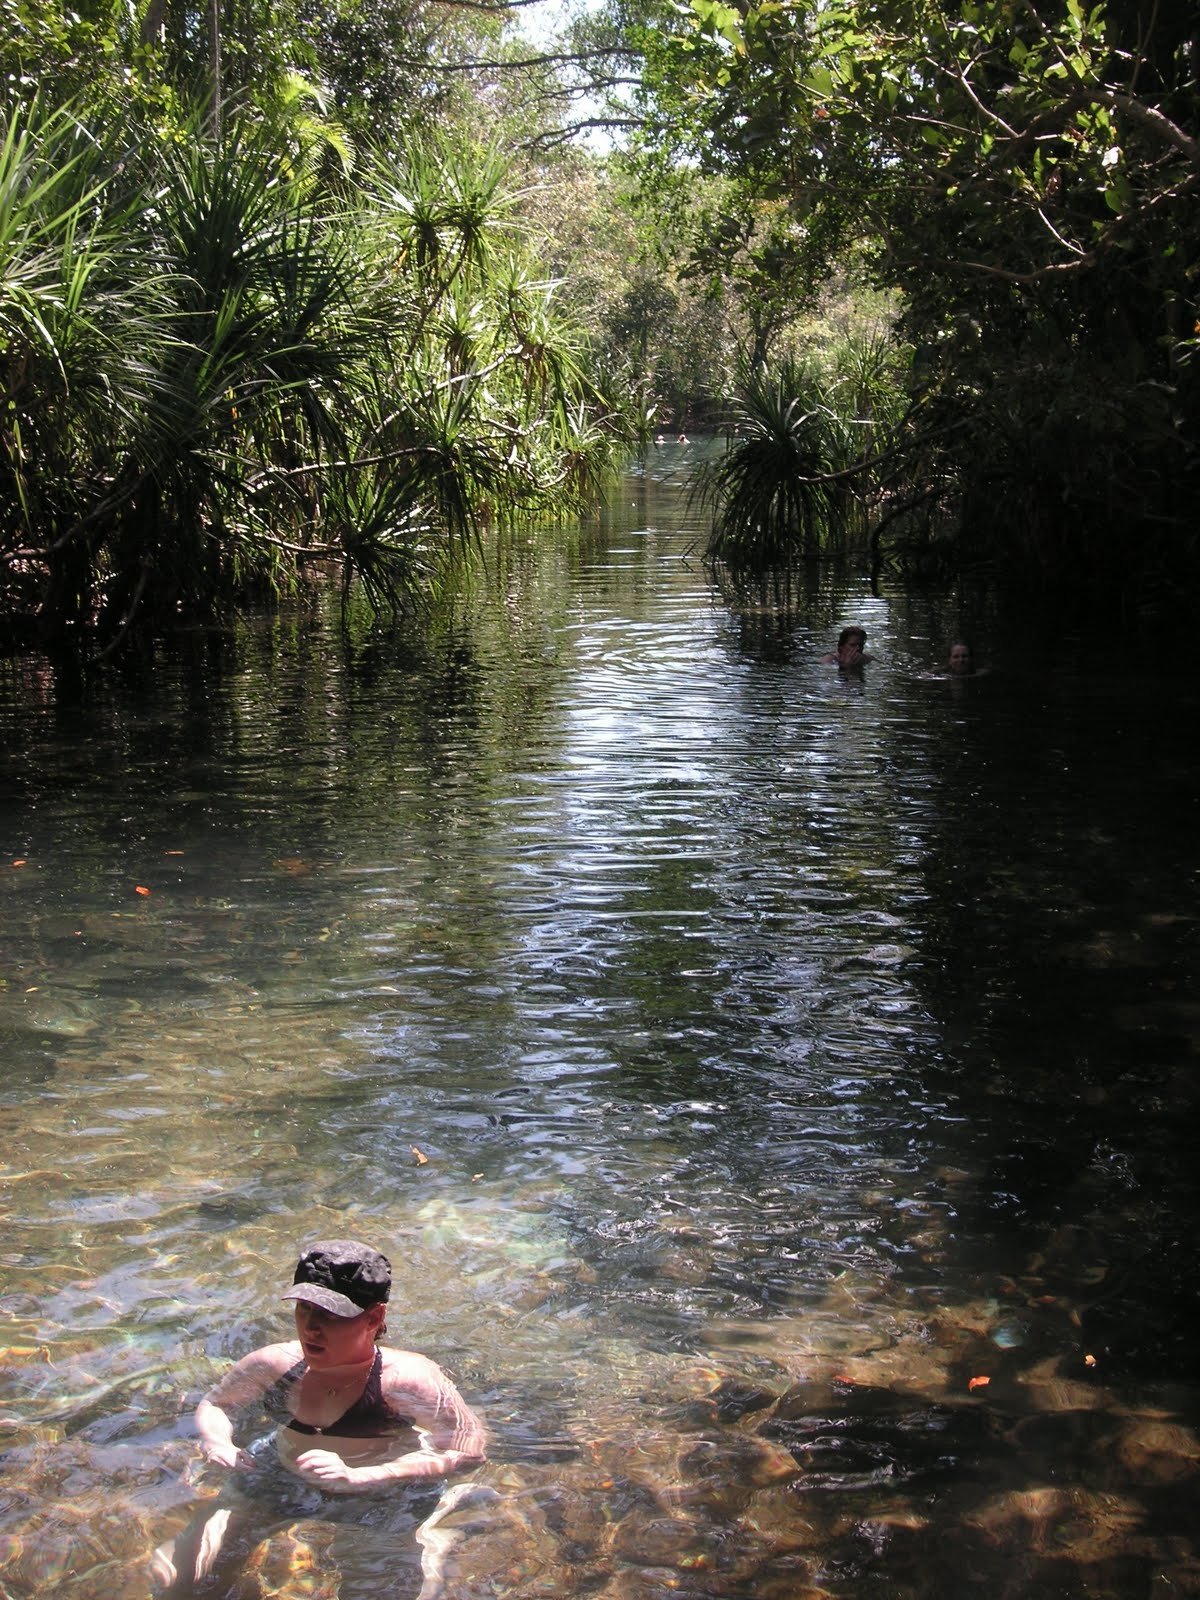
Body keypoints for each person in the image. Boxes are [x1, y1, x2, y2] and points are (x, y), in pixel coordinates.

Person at [153, 1239, 486, 1595]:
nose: (311, 1328)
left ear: (374, 1317)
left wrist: (365, 1476)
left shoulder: (407, 1379)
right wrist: (217, 1441)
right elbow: (218, 1403)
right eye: (304, 1310)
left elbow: (468, 1451)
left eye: (330, 1316)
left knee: (382, 1590)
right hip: (281, 1473)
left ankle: (435, 1535)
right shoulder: (273, 1363)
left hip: (384, 1493)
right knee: (179, 1581)